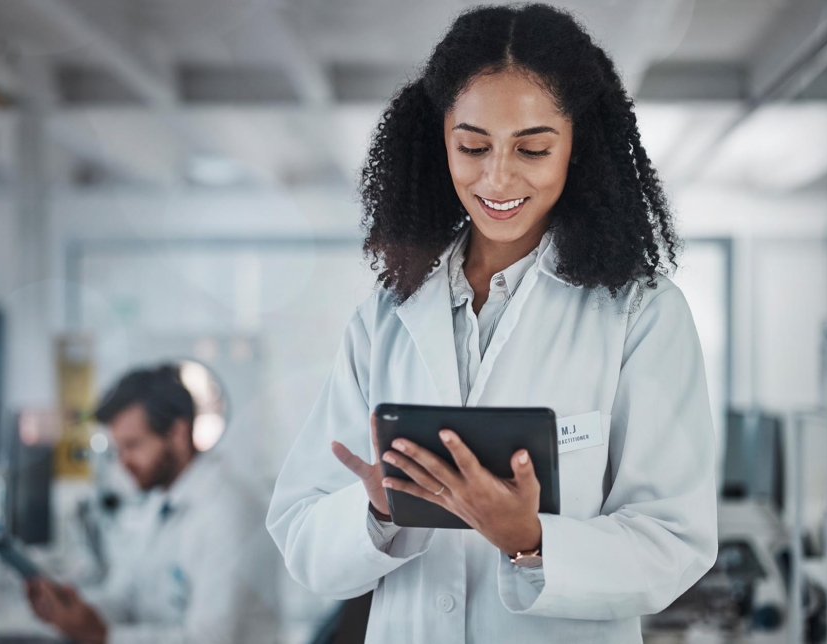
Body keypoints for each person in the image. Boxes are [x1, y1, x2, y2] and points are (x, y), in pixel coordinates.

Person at [266, 5, 718, 643]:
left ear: (577, 148)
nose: (497, 177)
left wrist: (531, 540)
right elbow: (301, 534)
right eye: (472, 146)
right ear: (440, 139)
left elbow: (676, 541)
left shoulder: (640, 312)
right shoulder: (387, 314)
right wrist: (376, 512)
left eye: (532, 148)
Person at [27, 364, 277, 644]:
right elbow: (126, 598)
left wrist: (102, 636)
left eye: (133, 445)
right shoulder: (156, 501)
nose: (122, 462)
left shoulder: (228, 512)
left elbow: (210, 640)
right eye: (119, 449)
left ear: (178, 434)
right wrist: (72, 611)